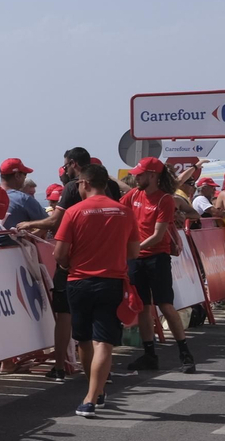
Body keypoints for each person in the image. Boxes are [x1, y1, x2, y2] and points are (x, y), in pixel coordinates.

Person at [17, 148, 122, 380]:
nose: (64, 169)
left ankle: (61, 367)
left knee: (65, 315)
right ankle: (101, 370)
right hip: (109, 264)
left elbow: (56, 222)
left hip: (77, 265)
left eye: (65, 165)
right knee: (102, 323)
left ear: (73, 165)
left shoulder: (73, 187)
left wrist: (28, 224)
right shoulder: (111, 189)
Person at [55, 163, 141, 417]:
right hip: (112, 282)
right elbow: (134, 252)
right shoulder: (124, 212)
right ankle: (94, 395)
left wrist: (70, 263)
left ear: (84, 183)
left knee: (83, 339)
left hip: (78, 282)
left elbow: (59, 253)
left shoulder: (74, 212)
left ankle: (94, 394)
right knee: (104, 342)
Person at [121, 157, 196, 373]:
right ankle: (149, 355)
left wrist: (132, 250)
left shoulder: (165, 200)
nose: (136, 177)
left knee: (165, 305)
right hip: (137, 258)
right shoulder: (134, 194)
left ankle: (185, 353)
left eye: (141, 174)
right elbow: (117, 210)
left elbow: (158, 235)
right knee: (143, 307)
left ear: (153, 175)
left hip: (157, 258)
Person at [0, 158, 48, 229]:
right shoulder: (23, 199)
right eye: (25, 174)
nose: (25, 177)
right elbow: (48, 223)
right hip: (13, 240)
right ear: (17, 176)